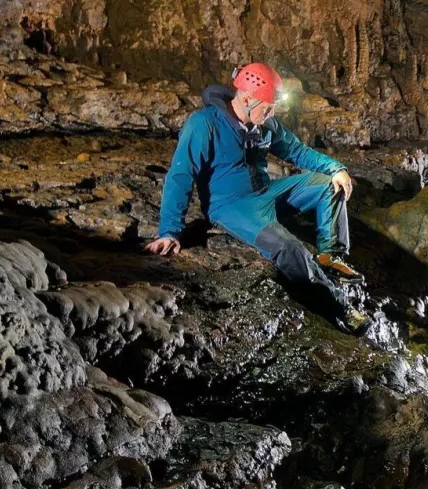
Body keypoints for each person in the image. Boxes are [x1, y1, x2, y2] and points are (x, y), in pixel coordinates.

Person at [144, 62, 371, 333]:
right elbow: (180, 176)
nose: (272, 113)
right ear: (247, 98)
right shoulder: (204, 125)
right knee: (289, 248)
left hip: (266, 192)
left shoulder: (264, 123)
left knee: (328, 186)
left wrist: (335, 168)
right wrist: (169, 231)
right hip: (231, 206)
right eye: (268, 107)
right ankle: (338, 307)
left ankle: (330, 257)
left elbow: (296, 151)